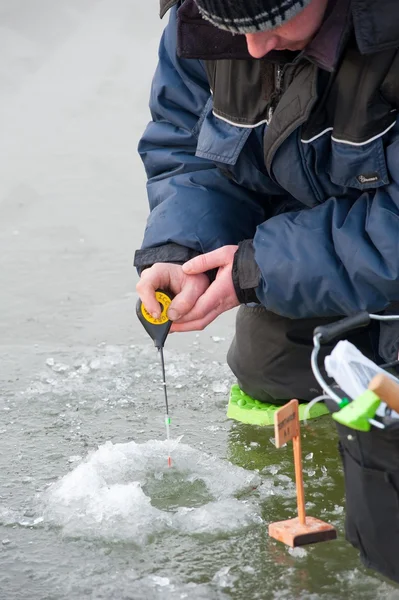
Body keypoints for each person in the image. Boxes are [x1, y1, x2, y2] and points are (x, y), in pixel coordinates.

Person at [135, 0, 399, 583]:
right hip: (309, 235)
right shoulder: (204, 20)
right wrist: (183, 250)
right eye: (237, 30)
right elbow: (185, 142)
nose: (251, 49)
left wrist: (263, 268)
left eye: (269, 25)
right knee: (270, 369)